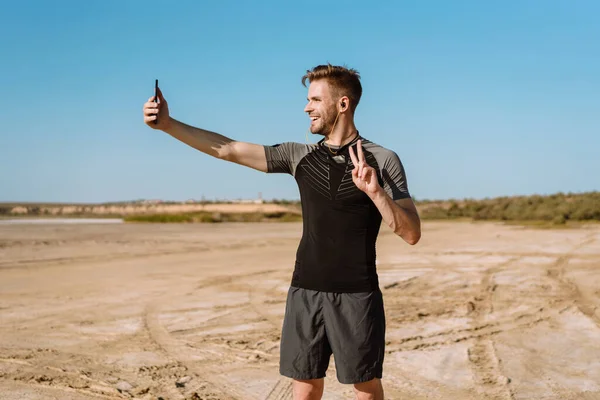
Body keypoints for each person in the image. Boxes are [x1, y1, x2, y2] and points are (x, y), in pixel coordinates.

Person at [143, 64, 421, 400]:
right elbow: (229, 149)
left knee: (365, 387)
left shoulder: (382, 159)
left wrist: (376, 193)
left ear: (343, 104)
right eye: (308, 100)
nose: (307, 108)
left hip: (358, 296)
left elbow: (410, 233)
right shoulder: (298, 155)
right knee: (304, 387)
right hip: (305, 291)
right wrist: (169, 125)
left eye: (315, 100)